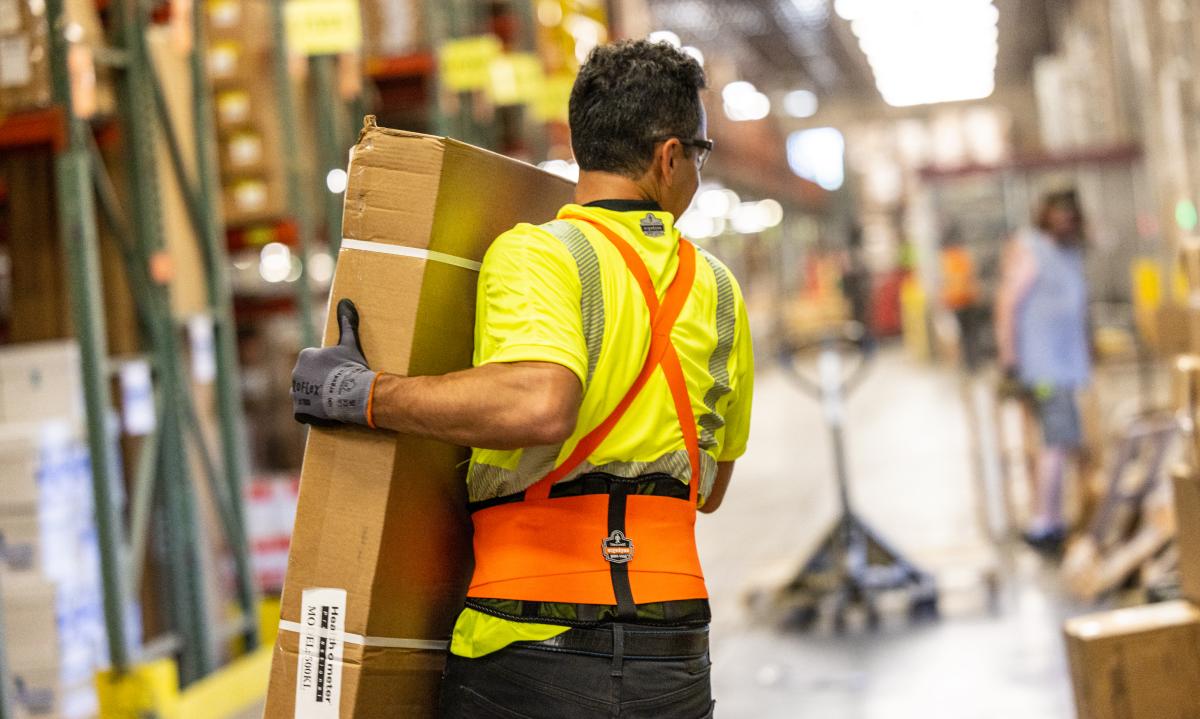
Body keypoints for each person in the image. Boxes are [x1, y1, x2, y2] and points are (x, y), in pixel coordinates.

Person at [290, 40, 754, 718]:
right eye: (702, 154)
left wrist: (362, 393)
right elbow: (708, 486)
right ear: (670, 156)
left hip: (533, 642)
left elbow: (539, 402)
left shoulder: (539, 253)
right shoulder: (719, 288)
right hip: (674, 647)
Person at [995, 190, 1090, 554]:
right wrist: (1010, 361)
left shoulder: (1068, 251)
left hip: (1063, 366)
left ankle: (1051, 517)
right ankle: (1044, 522)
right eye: (1058, 214)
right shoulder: (1031, 250)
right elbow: (1007, 305)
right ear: (1046, 214)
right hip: (1044, 368)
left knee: (1059, 441)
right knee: (1055, 440)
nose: (1065, 221)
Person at [939, 226, 983, 371]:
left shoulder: (946, 259)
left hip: (955, 303)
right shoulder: (963, 256)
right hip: (967, 301)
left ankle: (965, 364)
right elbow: (972, 278)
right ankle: (973, 363)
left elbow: (944, 283)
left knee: (961, 336)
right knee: (970, 335)